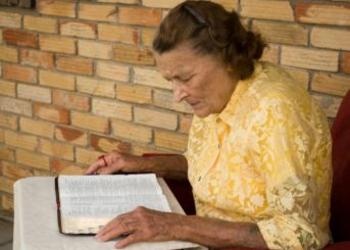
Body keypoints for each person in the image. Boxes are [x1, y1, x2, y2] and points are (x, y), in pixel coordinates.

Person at [86, 1, 332, 249]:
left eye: (185, 78)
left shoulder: (276, 111)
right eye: (171, 80)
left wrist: (175, 225)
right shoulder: (219, 95)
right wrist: (139, 164)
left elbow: (301, 236)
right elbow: (209, 168)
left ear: (227, 58)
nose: (177, 95)